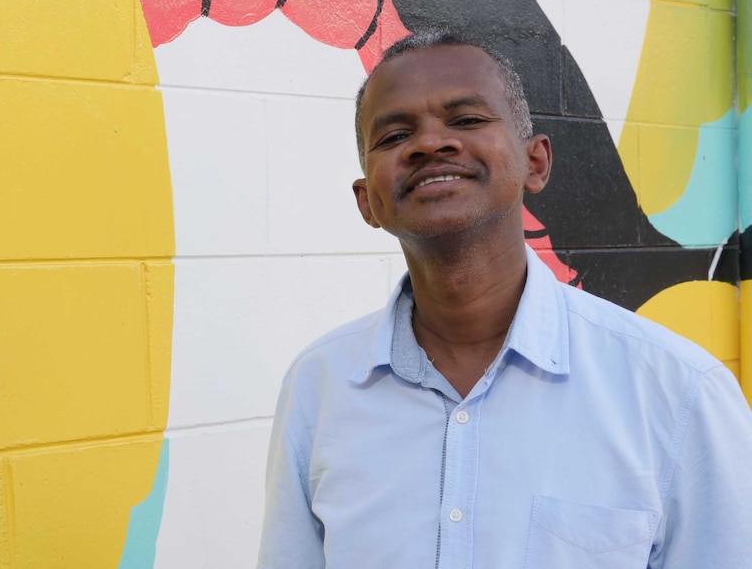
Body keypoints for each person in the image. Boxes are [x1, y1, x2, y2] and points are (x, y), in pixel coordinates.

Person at [257, 30, 752, 569]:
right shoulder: (318, 386)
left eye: (467, 120)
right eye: (396, 134)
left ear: (535, 163)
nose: (429, 143)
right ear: (367, 201)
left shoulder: (677, 391)